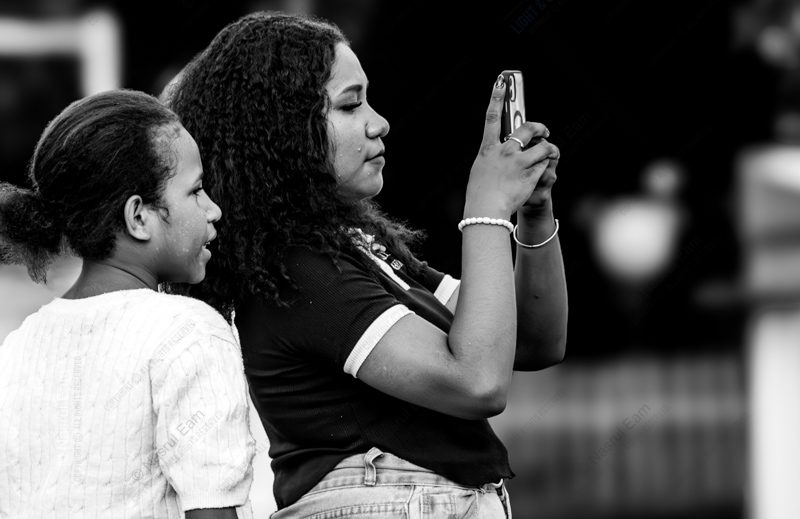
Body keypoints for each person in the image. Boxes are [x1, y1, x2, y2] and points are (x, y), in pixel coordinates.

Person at [166, 11, 567, 518]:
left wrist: (533, 212)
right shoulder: (296, 271)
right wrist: (486, 210)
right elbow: (477, 382)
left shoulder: (356, 248)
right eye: (351, 104)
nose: (379, 123)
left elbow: (532, 341)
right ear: (283, 128)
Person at [0, 90, 255, 519]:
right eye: (195, 190)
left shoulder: (19, 345)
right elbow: (212, 510)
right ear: (138, 217)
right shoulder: (189, 332)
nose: (213, 210)